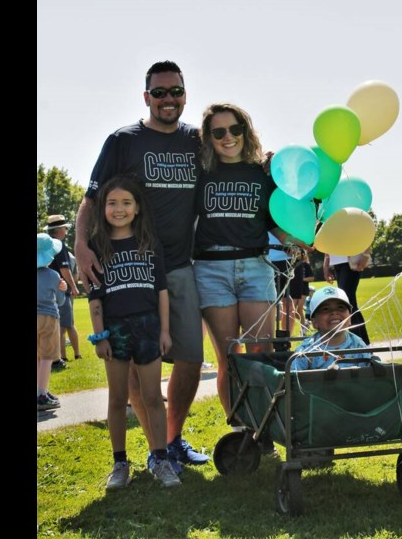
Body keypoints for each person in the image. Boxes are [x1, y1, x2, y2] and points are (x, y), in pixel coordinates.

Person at [74, 60, 210, 470]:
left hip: (179, 265)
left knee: (188, 355)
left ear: (185, 94)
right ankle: (156, 451)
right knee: (134, 361)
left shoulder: (196, 141)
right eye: (160, 92)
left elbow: (230, 161)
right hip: (127, 265)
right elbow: (92, 197)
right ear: (146, 96)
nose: (168, 99)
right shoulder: (123, 140)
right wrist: (81, 245)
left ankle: (172, 440)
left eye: (176, 91)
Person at [192, 102, 305, 418]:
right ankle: (240, 430)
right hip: (211, 270)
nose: (228, 137)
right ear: (209, 137)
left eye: (234, 129)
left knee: (261, 355)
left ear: (245, 130)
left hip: (256, 268)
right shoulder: (202, 173)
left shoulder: (261, 173)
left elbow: (272, 221)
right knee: (229, 358)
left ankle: (264, 427)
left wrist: (296, 240)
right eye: (219, 132)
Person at [86, 175, 181, 489]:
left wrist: (165, 331)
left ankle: (161, 459)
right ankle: (119, 464)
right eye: (112, 203)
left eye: (126, 202)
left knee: (153, 397)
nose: (119, 209)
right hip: (116, 331)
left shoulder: (150, 245)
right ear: (103, 209)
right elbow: (95, 298)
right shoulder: (97, 247)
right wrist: (100, 337)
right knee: (118, 398)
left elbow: (162, 293)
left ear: (137, 208)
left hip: (148, 327)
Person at [291, 286, 372, 371]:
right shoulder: (306, 350)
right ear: (315, 322)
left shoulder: (358, 346)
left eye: (341, 307)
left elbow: (369, 378)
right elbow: (293, 378)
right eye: (325, 309)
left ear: (350, 318)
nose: (334, 312)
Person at [37, 233, 68, 411]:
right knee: (47, 357)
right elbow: (61, 301)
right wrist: (62, 289)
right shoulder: (54, 276)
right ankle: (41, 395)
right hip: (48, 317)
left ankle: (39, 390)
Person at [46, 214, 81, 366]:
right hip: (61, 289)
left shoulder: (46, 246)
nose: (66, 230)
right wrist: (73, 286)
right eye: (65, 228)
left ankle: (62, 355)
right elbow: (65, 269)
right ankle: (74, 355)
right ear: (60, 230)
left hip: (48, 290)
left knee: (58, 325)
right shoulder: (59, 246)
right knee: (67, 324)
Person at [323, 248, 372, 345]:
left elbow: (366, 235)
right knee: (350, 302)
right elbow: (327, 238)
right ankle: (363, 343)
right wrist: (326, 263)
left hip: (351, 261)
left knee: (347, 302)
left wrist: (365, 256)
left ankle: (358, 344)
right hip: (337, 261)